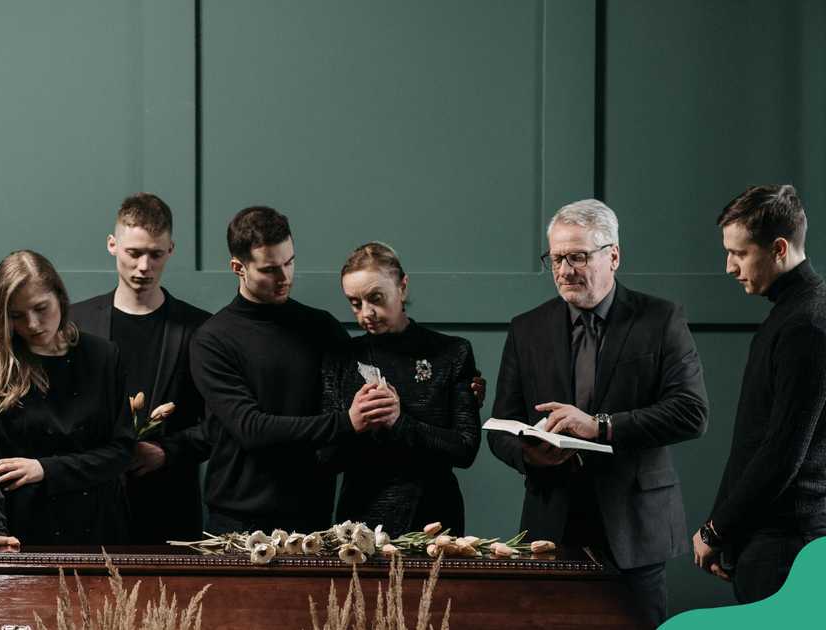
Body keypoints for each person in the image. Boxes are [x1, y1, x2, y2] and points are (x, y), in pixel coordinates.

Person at [488, 199, 708, 627]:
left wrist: (600, 426)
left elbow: (690, 412)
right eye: (556, 259)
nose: (565, 270)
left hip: (634, 528)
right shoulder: (526, 328)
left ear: (614, 255)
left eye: (578, 257)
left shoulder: (661, 319)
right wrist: (528, 454)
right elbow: (500, 425)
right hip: (551, 522)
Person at [190, 206, 394, 533]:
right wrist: (346, 423)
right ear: (237, 267)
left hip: (312, 515)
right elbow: (251, 428)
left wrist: (456, 384)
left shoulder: (321, 326)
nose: (285, 277)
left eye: (290, 262)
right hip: (236, 519)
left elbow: (378, 373)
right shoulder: (212, 339)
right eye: (270, 269)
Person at [693, 185, 826, 603]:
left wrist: (717, 529)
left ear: (780, 248)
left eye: (740, 253)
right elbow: (752, 442)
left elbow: (783, 453)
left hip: (788, 546)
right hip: (766, 539)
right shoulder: (790, 315)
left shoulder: (806, 325)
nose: (730, 267)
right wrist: (725, 531)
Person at [0, 250, 134, 550]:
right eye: (16, 316)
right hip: (22, 529)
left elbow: (121, 452)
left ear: (60, 298)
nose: (31, 324)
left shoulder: (104, 356)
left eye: (41, 308)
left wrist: (45, 468)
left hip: (98, 528)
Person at [70, 193, 212, 543]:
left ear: (171, 250)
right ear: (112, 245)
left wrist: (167, 452)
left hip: (172, 509)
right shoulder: (76, 322)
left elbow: (220, 424)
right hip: (90, 508)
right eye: (134, 253)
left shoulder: (199, 329)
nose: (144, 267)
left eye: (156, 254)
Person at [321, 242, 482, 537]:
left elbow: (465, 449)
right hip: (360, 522)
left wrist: (400, 422)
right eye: (355, 303)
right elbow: (326, 458)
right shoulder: (340, 357)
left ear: (403, 287)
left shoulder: (452, 352)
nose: (366, 313)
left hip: (435, 518)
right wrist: (353, 422)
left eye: (376, 298)